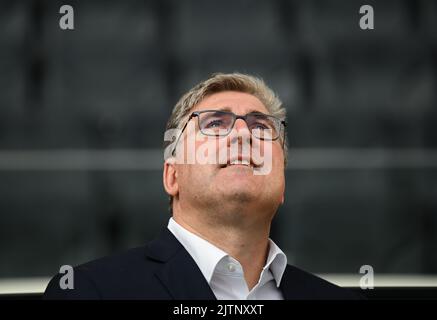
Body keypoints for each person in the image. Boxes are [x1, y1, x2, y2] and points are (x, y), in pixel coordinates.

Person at [44, 73, 360, 299]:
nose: (242, 134)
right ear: (172, 176)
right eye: (214, 123)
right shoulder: (90, 292)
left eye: (260, 127)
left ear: (282, 187)